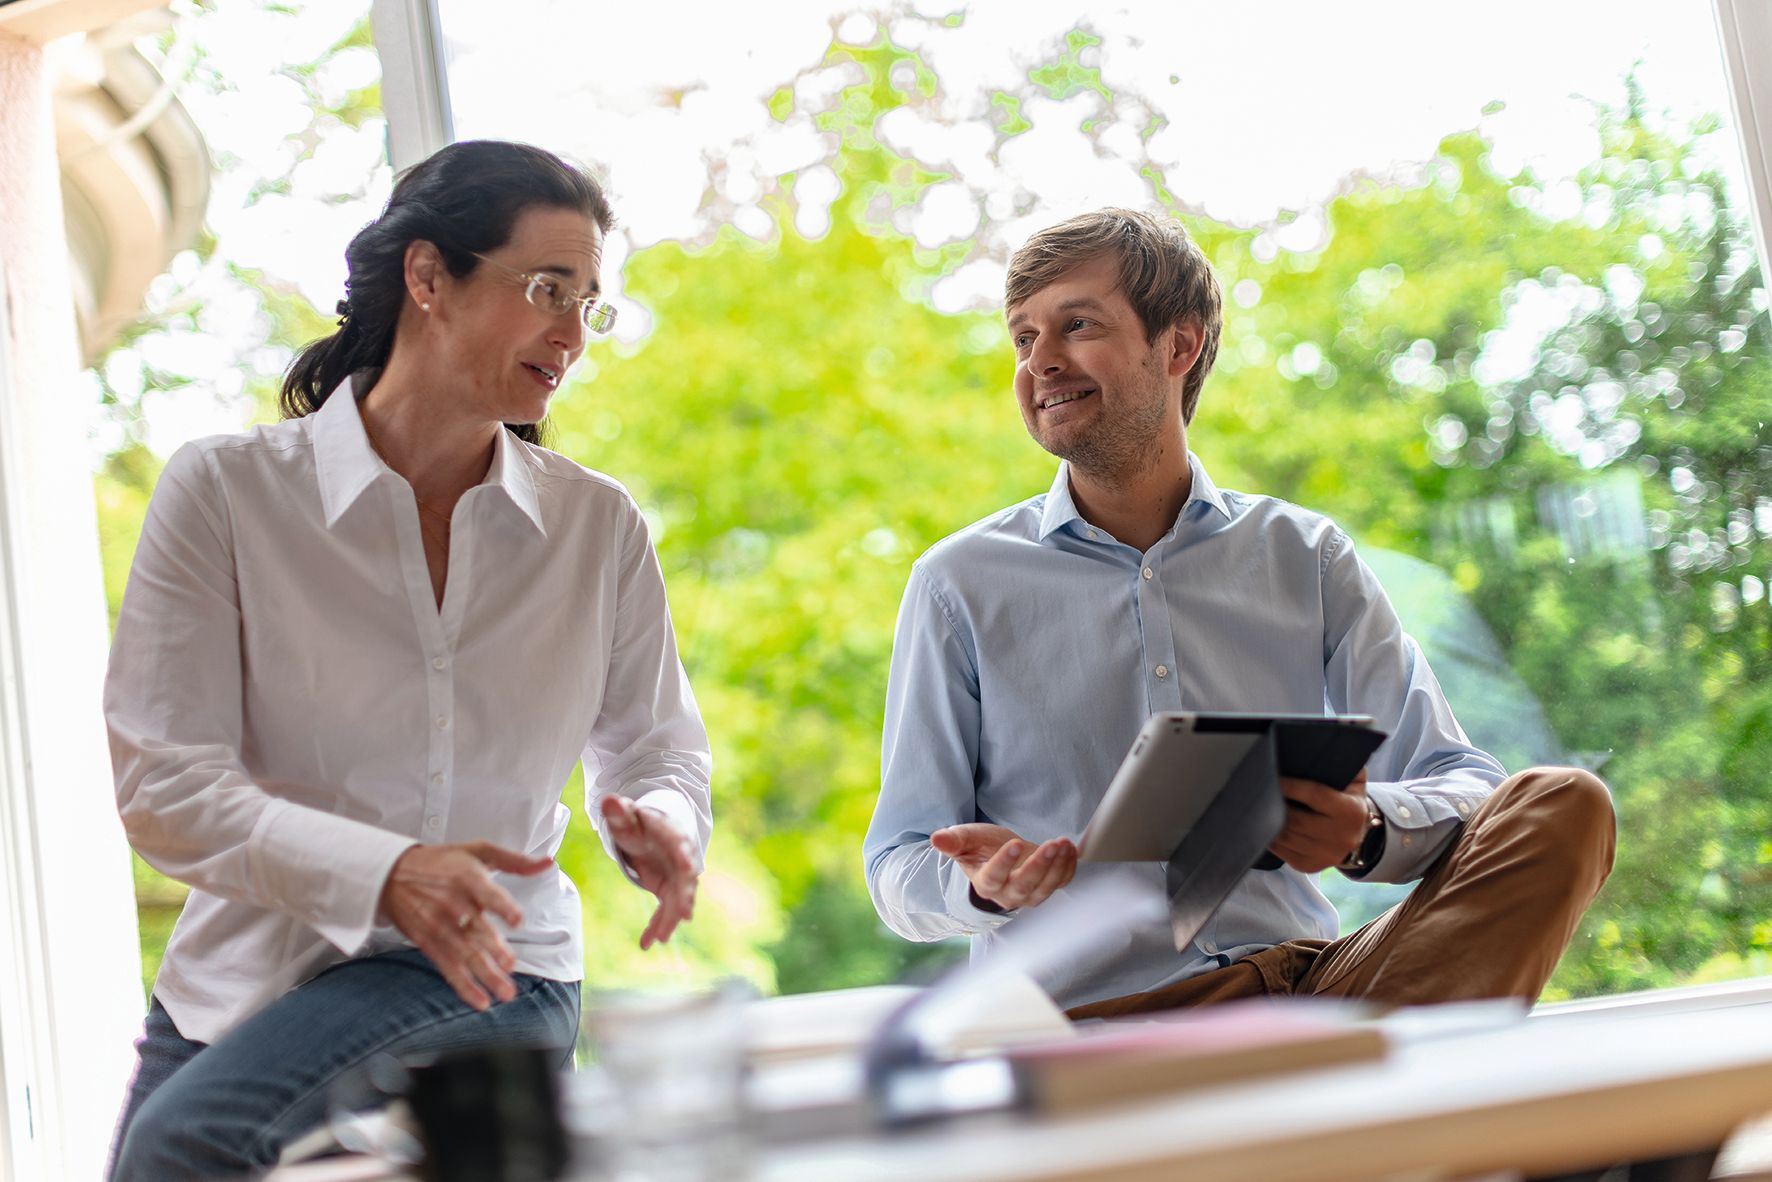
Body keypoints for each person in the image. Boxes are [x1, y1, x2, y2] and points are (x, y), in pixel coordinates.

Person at [104, 140, 711, 1179]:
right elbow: (164, 783)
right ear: (428, 277)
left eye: (587, 303)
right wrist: (384, 874)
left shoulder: (594, 527)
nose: (571, 335)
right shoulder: (226, 494)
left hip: (492, 968)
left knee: (187, 1145)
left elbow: (655, 747)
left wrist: (662, 817)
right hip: (242, 979)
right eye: (544, 290)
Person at [863, 207, 1616, 1017]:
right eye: (1022, 337)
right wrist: (983, 888)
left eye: (1075, 325)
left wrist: (1364, 832)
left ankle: (1337, 1105)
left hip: (1310, 982)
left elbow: (1465, 783)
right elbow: (898, 866)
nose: (1040, 361)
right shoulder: (958, 584)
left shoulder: (1306, 555)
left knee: (1566, 805)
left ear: (1178, 347)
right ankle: (1367, 1113)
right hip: (1099, 1021)